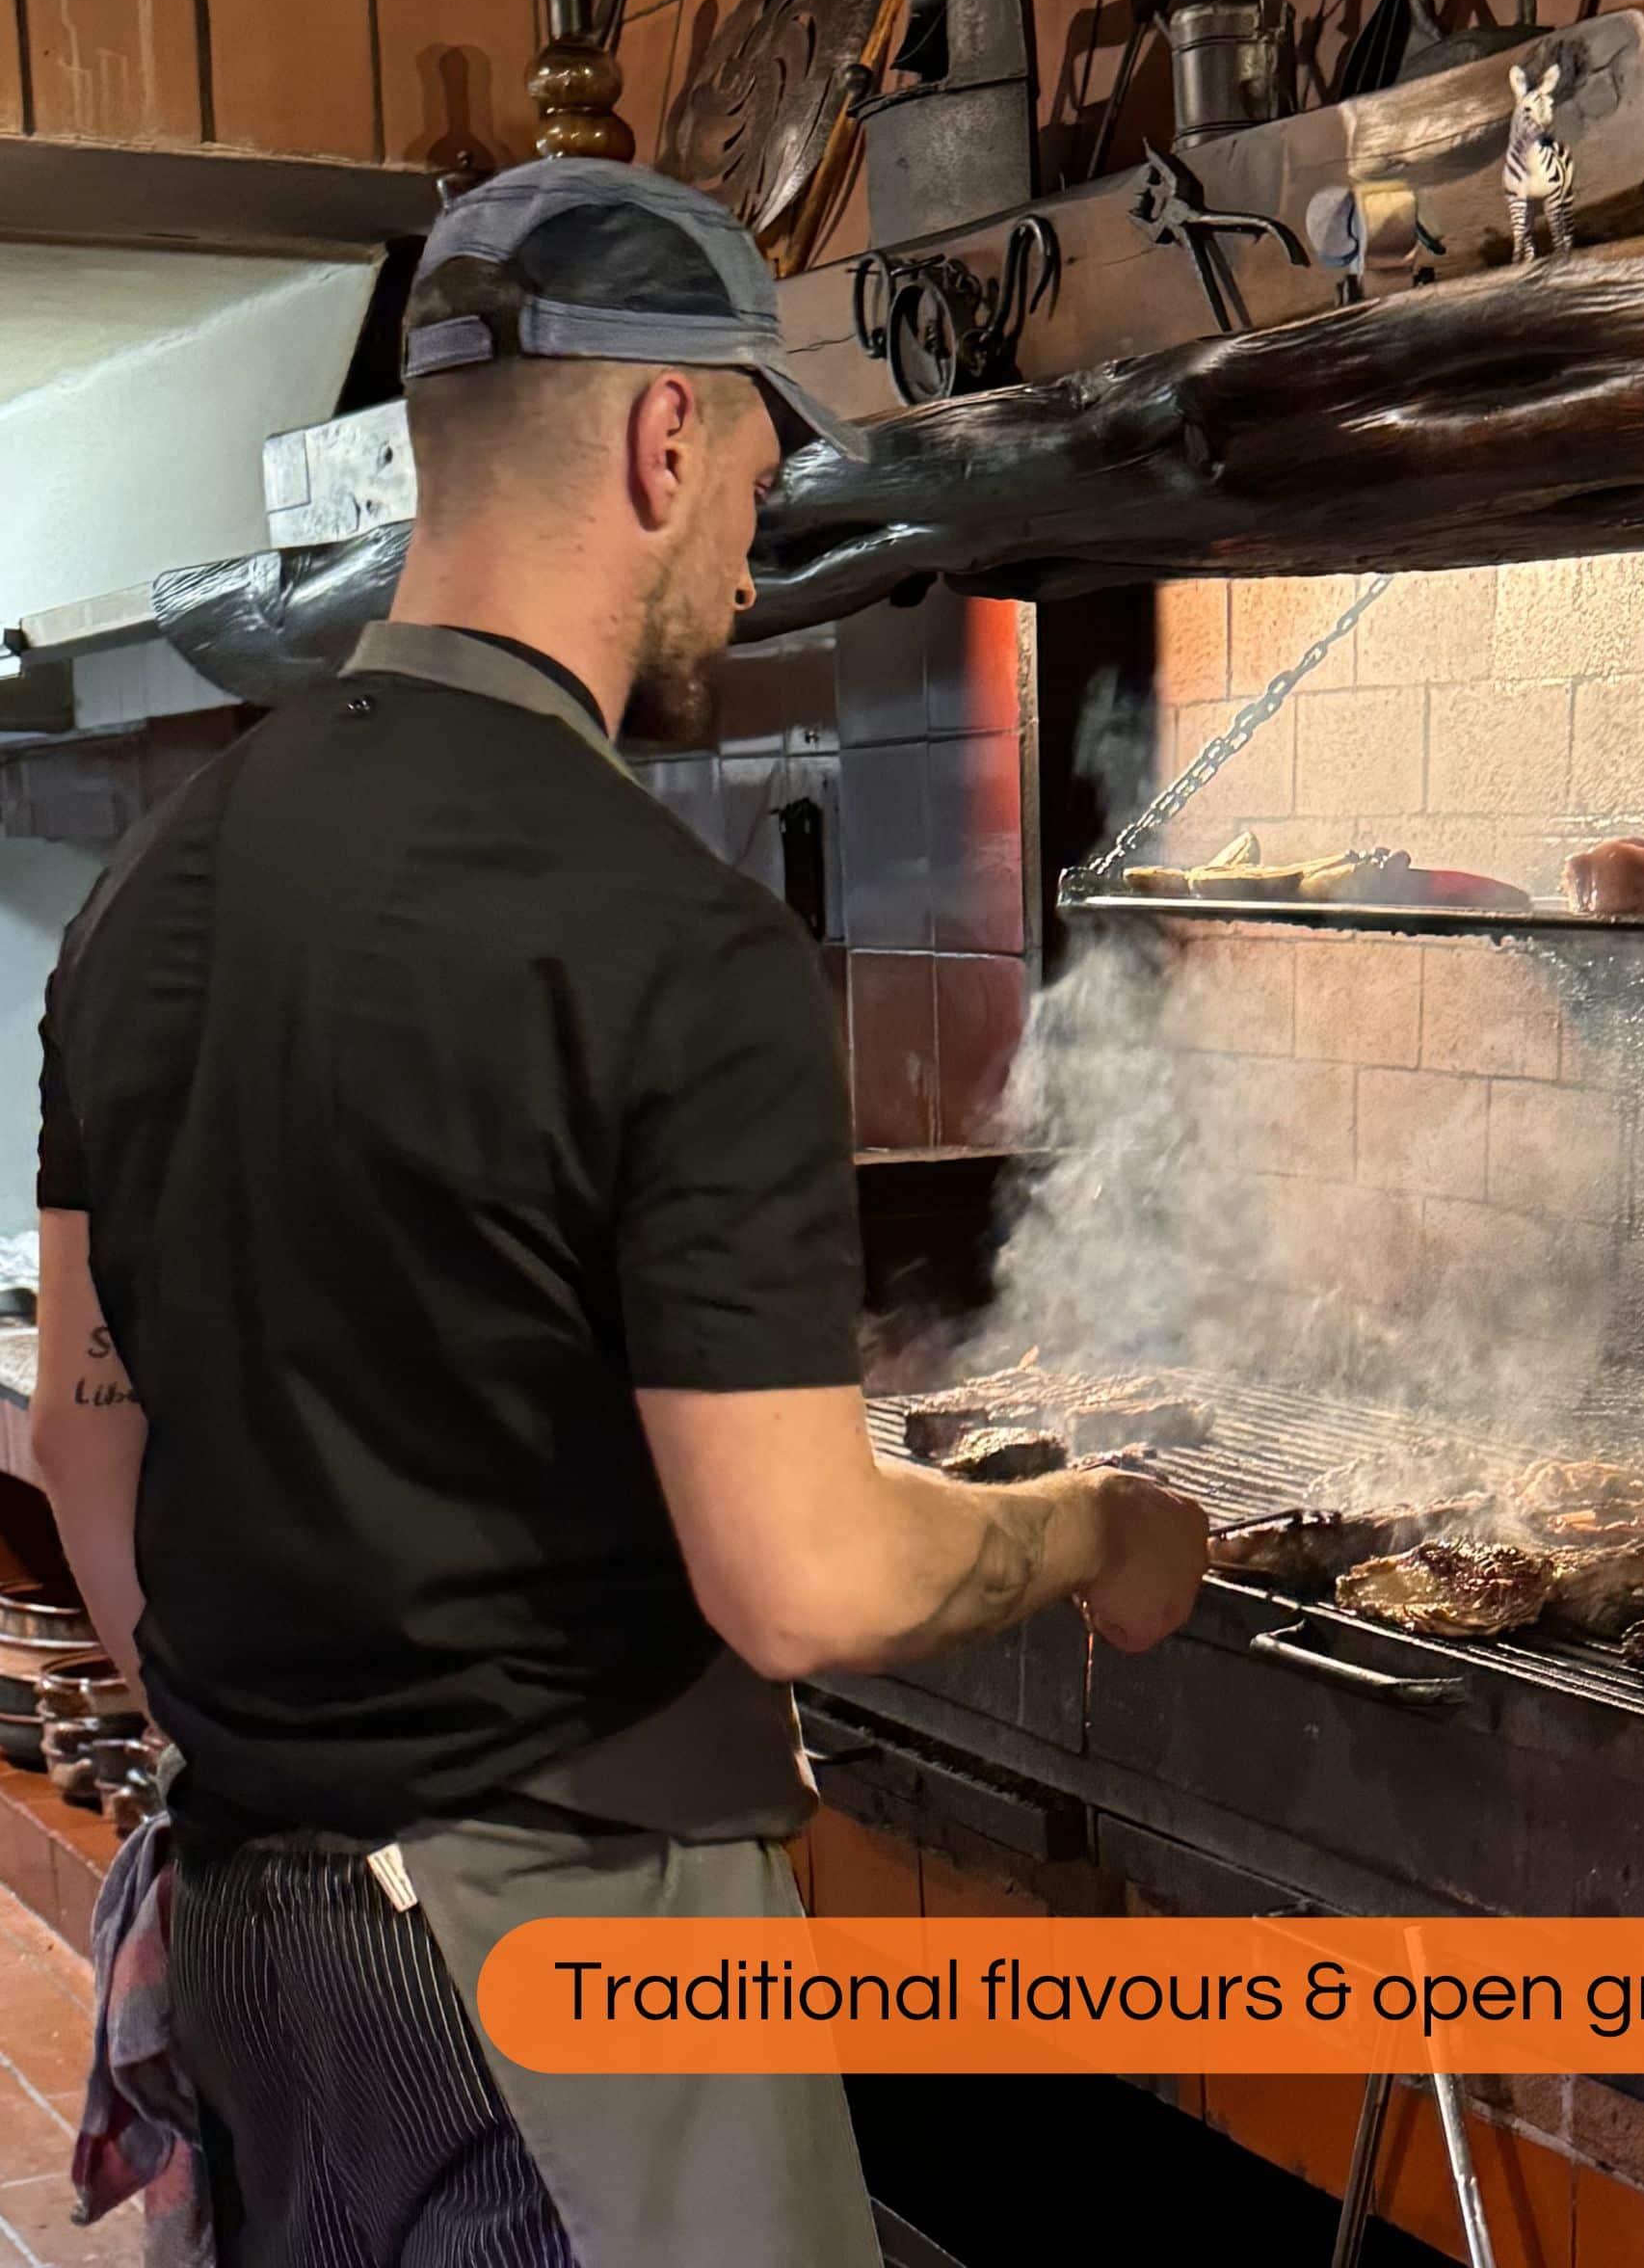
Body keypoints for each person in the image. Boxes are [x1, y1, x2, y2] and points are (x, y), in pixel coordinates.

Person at [29, 157, 1208, 2267]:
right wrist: (1093, 1525)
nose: (755, 541)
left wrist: (299, 1760)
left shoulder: (148, 896)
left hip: (257, 1930)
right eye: (757, 469)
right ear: (665, 435)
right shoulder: (678, 943)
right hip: (559, 1959)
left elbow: (88, 1430)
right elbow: (803, 1581)